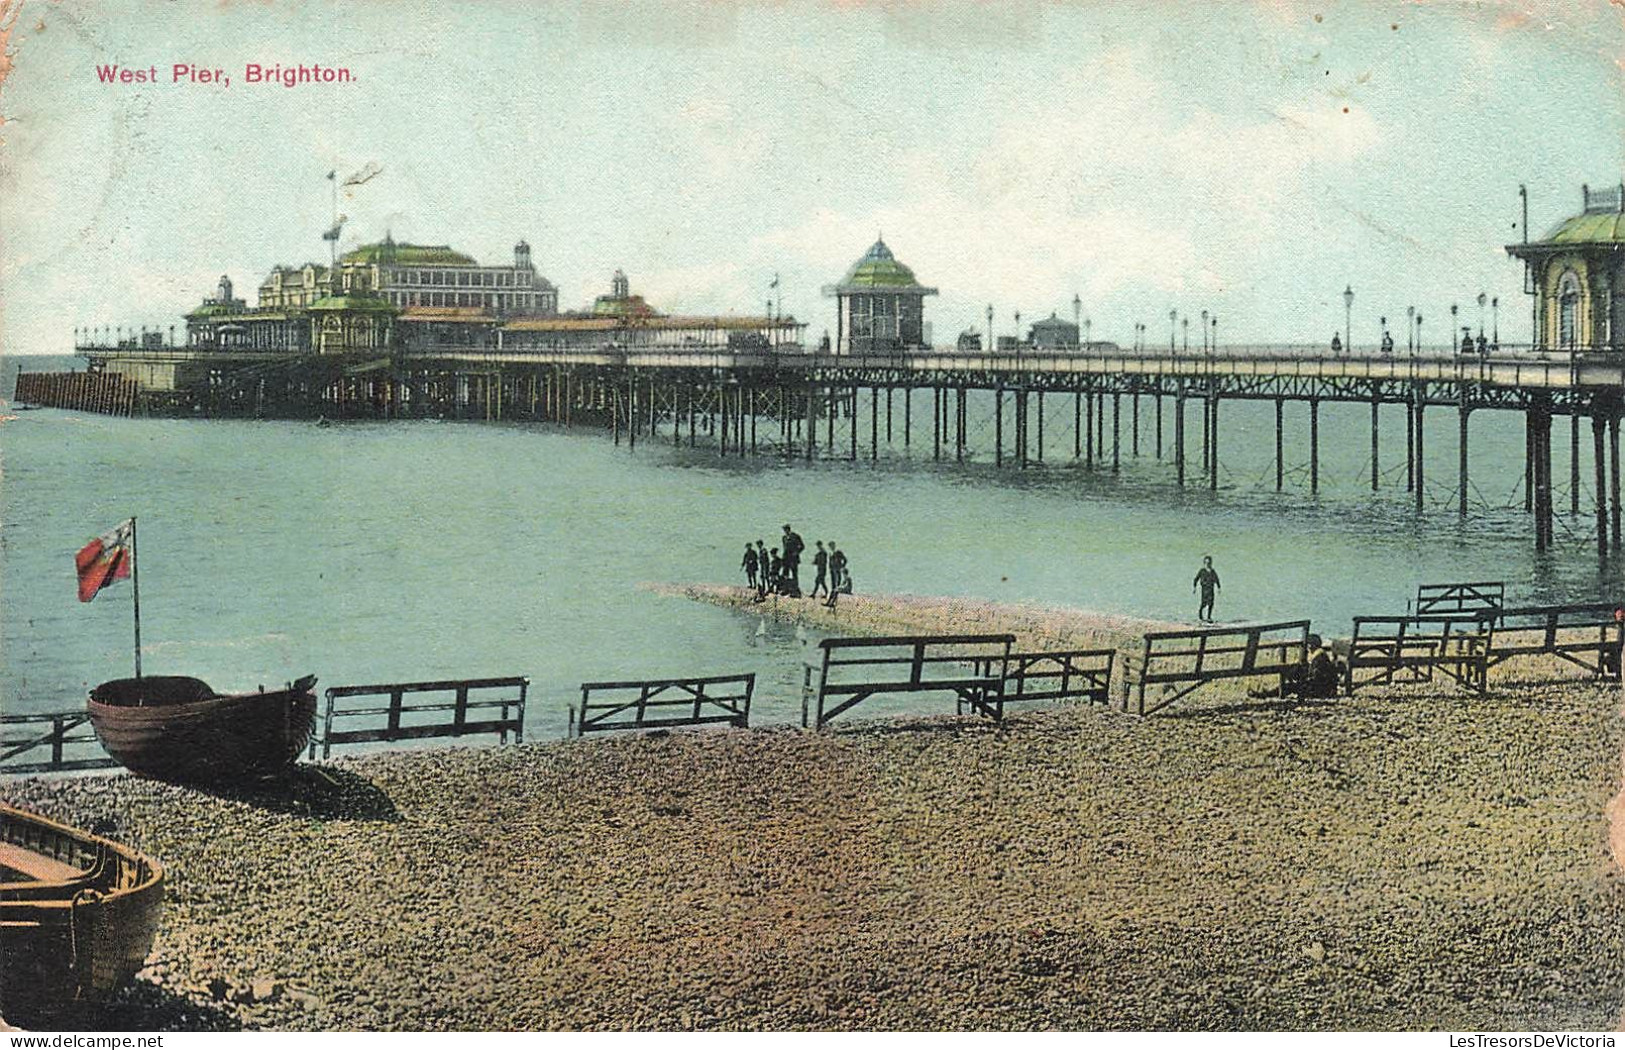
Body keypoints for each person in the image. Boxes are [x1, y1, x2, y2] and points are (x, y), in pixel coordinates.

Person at [1193, 556, 1221, 623]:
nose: (1208, 564)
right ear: (1204, 563)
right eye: (1206, 563)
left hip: (1211, 589)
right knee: (1204, 603)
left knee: (1211, 603)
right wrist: (1194, 587)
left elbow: (1217, 579)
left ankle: (1209, 617)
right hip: (1204, 589)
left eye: (1209, 563)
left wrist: (1219, 587)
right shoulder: (1202, 571)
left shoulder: (1212, 571)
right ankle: (1200, 614)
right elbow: (1196, 579)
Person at [781, 524, 805, 593]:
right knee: (785, 574)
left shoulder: (795, 536)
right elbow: (784, 548)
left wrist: (796, 552)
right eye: (784, 530)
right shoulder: (784, 538)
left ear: (789, 529)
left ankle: (795, 589)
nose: (785, 531)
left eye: (786, 530)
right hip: (786, 558)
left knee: (794, 574)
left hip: (793, 558)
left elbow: (802, 546)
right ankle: (785, 588)